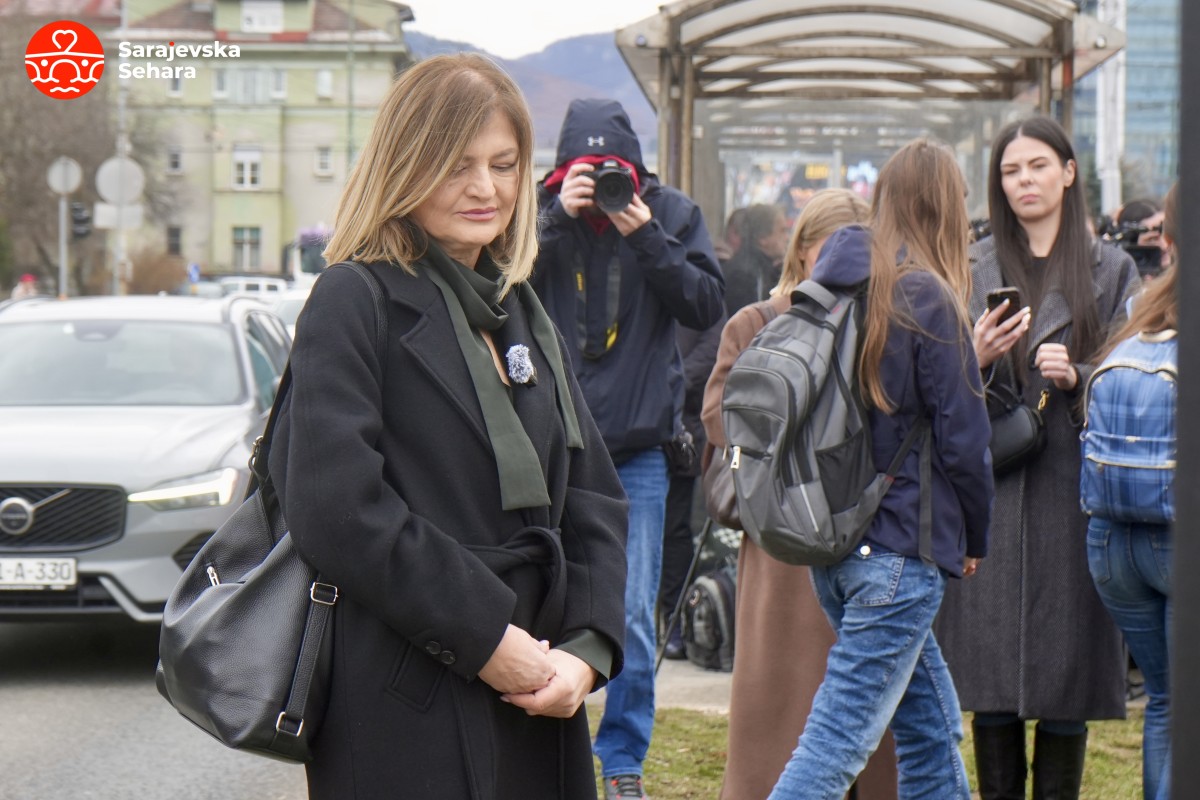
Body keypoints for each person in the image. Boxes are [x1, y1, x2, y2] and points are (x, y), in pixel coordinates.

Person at [267, 54, 629, 799]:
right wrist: (486, 639)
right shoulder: (353, 297)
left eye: (504, 164)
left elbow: (594, 496)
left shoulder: (520, 305)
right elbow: (338, 512)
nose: (486, 189)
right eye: (457, 166)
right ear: (405, 166)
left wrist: (586, 652)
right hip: (405, 694)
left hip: (537, 691)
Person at [767, 139, 994, 799]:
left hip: (836, 552)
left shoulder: (832, 287)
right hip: (901, 552)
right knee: (835, 747)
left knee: (931, 723)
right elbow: (965, 443)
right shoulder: (930, 298)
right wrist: (974, 539)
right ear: (948, 208)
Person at [934, 115, 1141, 800]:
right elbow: (935, 381)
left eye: (1037, 166)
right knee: (989, 685)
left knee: (1065, 682)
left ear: (1068, 172)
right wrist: (976, 352)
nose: (1024, 181)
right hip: (989, 485)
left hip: (1070, 490)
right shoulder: (973, 264)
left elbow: (1133, 374)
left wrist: (1080, 373)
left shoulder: (1111, 268)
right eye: (1010, 171)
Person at [532, 97, 725, 800]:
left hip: (639, 450)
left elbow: (707, 306)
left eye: (614, 170)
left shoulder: (668, 213)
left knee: (633, 613)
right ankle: (547, 747)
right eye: (588, 171)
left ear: (636, 169)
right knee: (540, 604)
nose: (603, 185)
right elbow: (498, 289)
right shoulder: (540, 214)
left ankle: (622, 764)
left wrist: (646, 236)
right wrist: (555, 217)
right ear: (562, 171)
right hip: (552, 444)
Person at [701, 188, 901, 799]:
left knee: (865, 712)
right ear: (803, 252)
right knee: (778, 713)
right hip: (786, 537)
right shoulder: (757, 321)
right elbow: (718, 417)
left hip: (868, 537)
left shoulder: (888, 323)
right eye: (828, 249)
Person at [1084, 182, 1179, 800]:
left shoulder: (1139, 313)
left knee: (1169, 702)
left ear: (1168, 239)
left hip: (1113, 542)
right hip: (1176, 541)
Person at [658, 310, 725, 661]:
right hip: (625, 428)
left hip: (680, 432)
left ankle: (674, 621)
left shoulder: (696, 291)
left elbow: (711, 350)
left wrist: (663, 378)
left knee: (675, 532)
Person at [720, 202, 789, 314]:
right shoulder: (744, 276)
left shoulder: (765, 270)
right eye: (782, 231)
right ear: (762, 237)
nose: (787, 237)